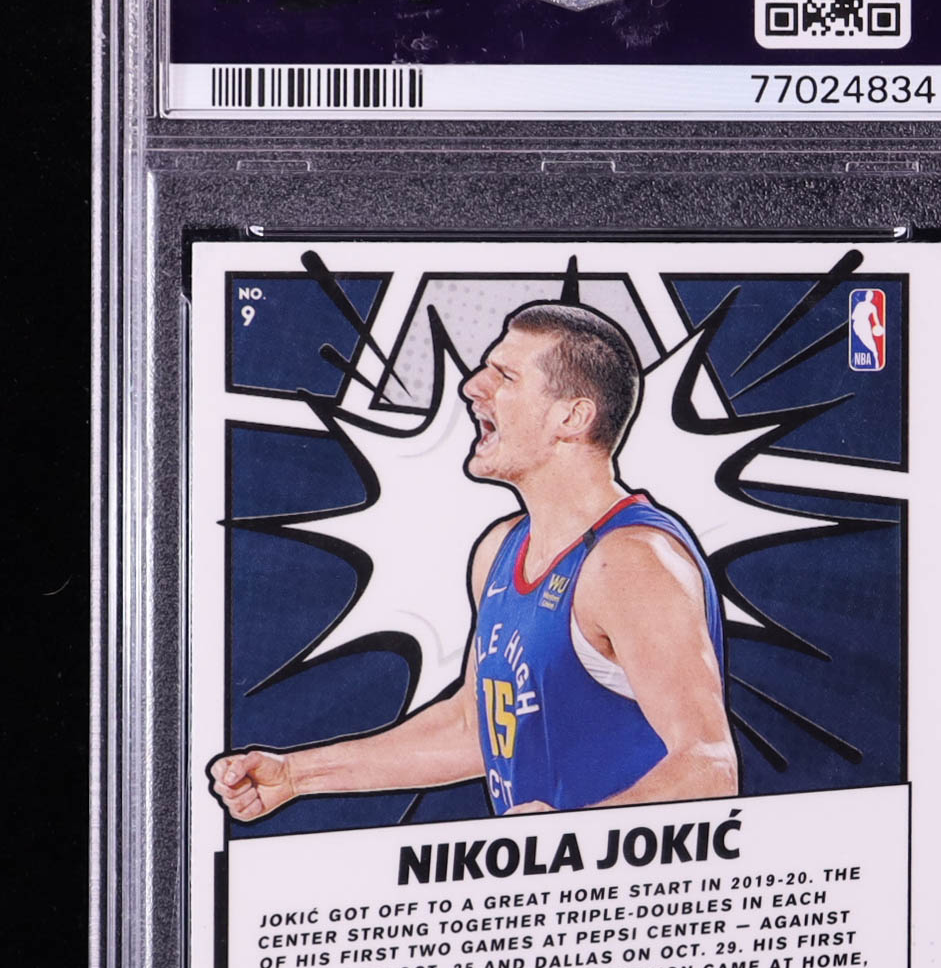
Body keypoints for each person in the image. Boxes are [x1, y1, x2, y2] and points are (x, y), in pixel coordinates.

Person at [210, 293, 738, 821]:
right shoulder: (501, 549)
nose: (472, 385)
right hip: (539, 872)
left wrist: (577, 835)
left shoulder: (630, 562)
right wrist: (297, 775)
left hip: (624, 875)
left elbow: (709, 767)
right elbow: (473, 728)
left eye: (504, 376)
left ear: (572, 416)